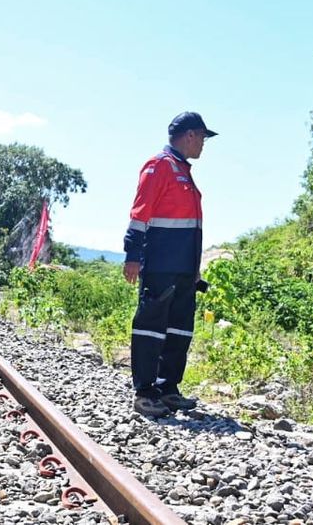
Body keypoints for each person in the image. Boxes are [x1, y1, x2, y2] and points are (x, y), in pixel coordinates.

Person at [123, 112, 216, 418]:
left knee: (179, 331)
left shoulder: (183, 170)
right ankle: (146, 393)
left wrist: (194, 269)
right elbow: (140, 214)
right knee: (150, 330)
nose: (203, 144)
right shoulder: (159, 166)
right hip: (161, 266)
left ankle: (168, 389)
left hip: (184, 270)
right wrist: (133, 255)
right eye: (202, 137)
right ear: (190, 135)